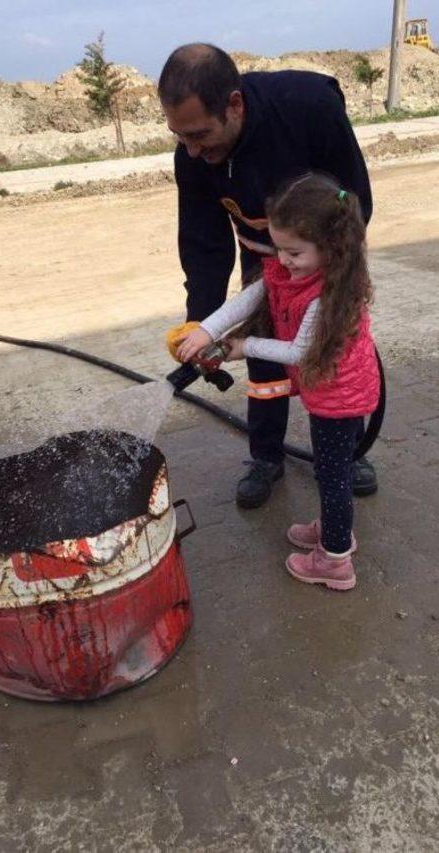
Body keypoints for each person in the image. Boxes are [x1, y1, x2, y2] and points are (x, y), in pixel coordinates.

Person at [158, 43, 378, 508]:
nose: (193, 151)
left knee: (335, 356)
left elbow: (355, 200)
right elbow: (203, 243)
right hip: (261, 257)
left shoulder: (308, 109)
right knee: (265, 363)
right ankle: (265, 456)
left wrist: (334, 275)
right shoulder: (193, 155)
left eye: (200, 134)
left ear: (234, 104)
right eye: (181, 138)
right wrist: (202, 325)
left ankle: (347, 450)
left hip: (326, 258)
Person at [177, 173, 380, 590]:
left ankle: (336, 560)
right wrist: (206, 330)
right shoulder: (302, 269)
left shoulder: (329, 294)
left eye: (293, 252)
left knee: (332, 475)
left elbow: (298, 353)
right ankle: (334, 531)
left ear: (331, 249)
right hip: (329, 390)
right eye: (279, 247)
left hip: (339, 399)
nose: (283, 260)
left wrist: (244, 345)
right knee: (333, 471)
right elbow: (252, 296)